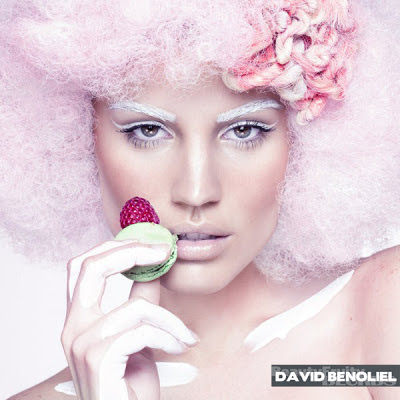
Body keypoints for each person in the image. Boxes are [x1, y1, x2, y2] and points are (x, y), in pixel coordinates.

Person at [3, 0, 399, 399]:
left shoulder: (384, 307)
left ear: (301, 139)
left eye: (244, 130)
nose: (196, 192)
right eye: (147, 130)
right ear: (79, 138)